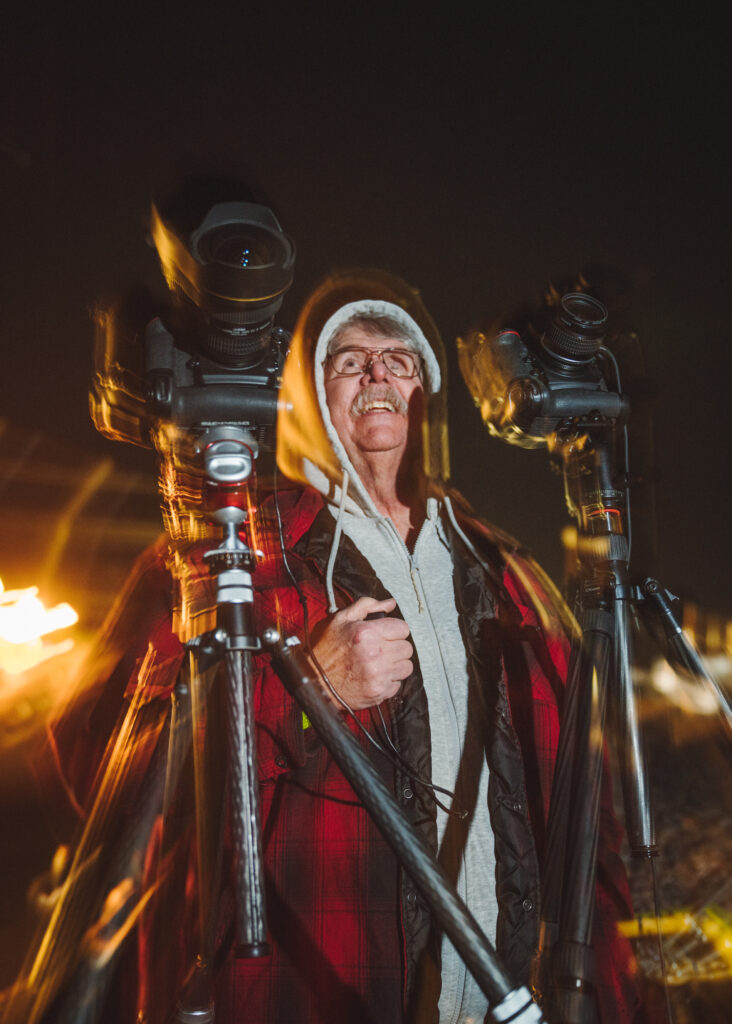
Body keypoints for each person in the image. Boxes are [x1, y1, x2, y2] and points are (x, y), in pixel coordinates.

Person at [35, 270, 638, 1024]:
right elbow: (102, 769)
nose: (380, 372)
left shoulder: (507, 571)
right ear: (309, 397)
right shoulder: (229, 557)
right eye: (350, 359)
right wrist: (305, 694)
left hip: (511, 996)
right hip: (320, 989)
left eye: (402, 359)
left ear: (430, 395)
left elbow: (590, 801)